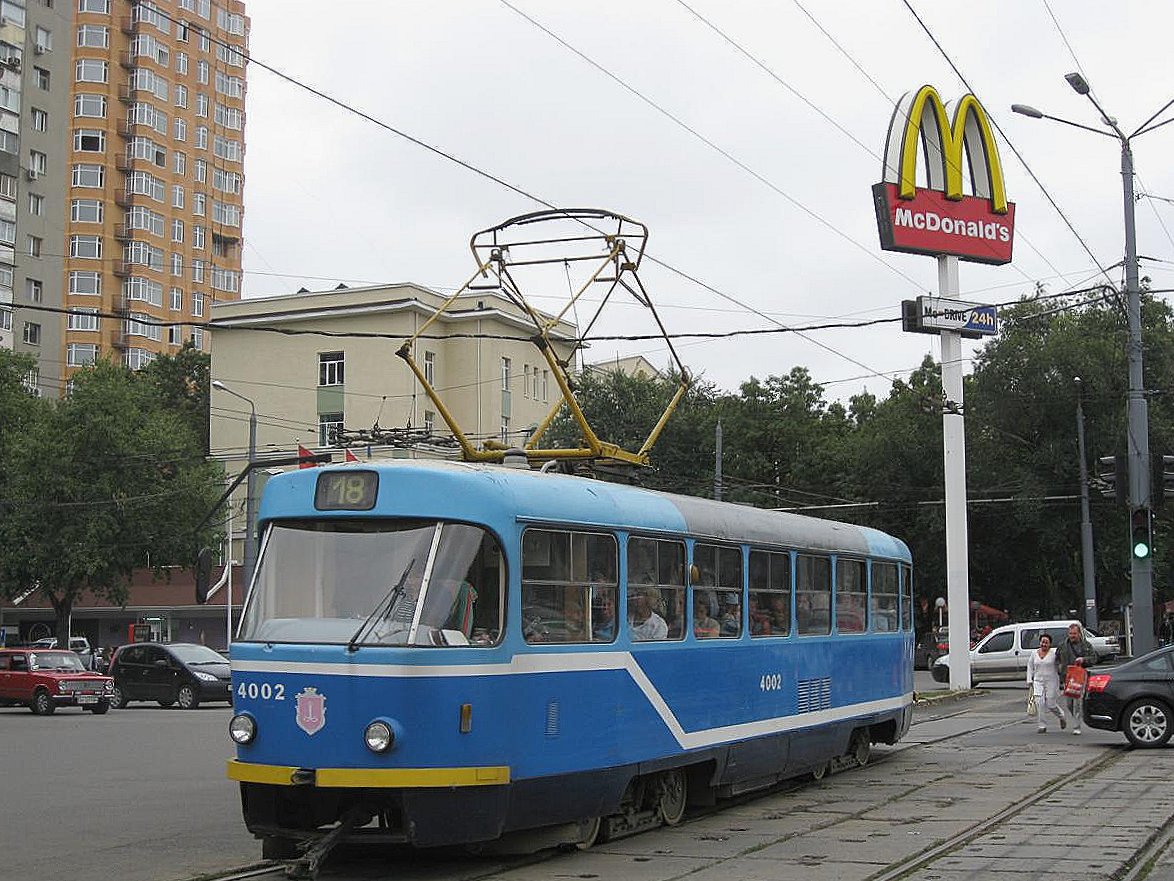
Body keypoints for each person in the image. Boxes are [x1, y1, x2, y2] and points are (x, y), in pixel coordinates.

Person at [1055, 623, 1093, 735]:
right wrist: (1059, 667)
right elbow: (1056, 658)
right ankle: (1078, 717)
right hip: (1068, 677)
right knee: (1069, 704)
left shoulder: (1086, 645)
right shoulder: (1062, 645)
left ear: (1079, 633)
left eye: (1074, 633)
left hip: (1081, 676)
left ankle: (1077, 726)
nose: (1072, 636)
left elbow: (1094, 658)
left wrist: (1084, 659)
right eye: (1070, 633)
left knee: (1077, 701)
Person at [1026, 633, 1067, 734]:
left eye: (1046, 642)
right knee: (1040, 703)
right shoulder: (1034, 653)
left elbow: (1061, 664)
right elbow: (1030, 666)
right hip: (1038, 681)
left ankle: (1061, 716)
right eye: (1042, 642)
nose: (1044, 644)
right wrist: (1029, 680)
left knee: (1051, 704)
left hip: (1051, 681)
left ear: (1050, 644)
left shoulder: (1054, 654)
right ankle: (1042, 725)